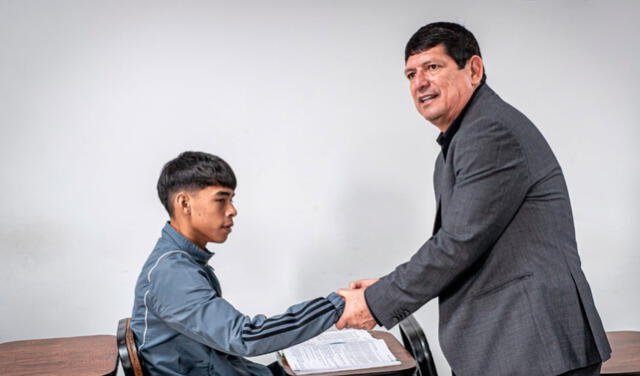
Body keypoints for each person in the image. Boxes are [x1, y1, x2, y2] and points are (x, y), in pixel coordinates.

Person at [335, 22, 611, 376]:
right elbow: (458, 242)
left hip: (533, 348)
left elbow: (457, 244)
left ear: (474, 70)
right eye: (410, 74)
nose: (419, 82)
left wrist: (376, 302)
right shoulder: (459, 143)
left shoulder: (489, 131)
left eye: (433, 67)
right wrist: (386, 286)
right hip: (514, 347)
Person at [131, 151, 344, 376]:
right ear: (184, 203)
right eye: (221, 200)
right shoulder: (172, 272)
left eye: (231, 200)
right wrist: (336, 306)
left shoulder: (181, 261)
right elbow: (245, 337)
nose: (232, 210)